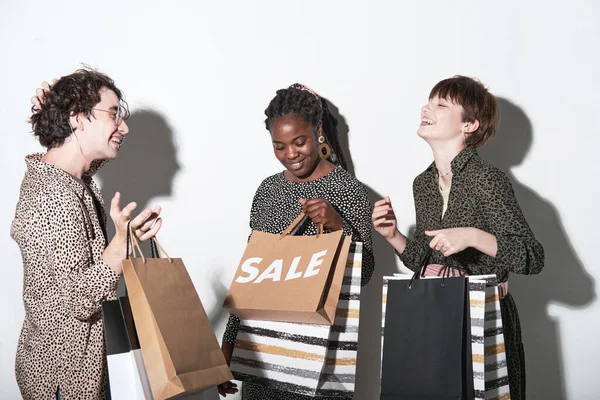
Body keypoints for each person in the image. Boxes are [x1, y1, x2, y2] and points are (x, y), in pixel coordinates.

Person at [372, 75, 544, 399]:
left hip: (483, 319)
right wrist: (393, 235)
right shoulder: (422, 184)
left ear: (470, 124)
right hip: (437, 316)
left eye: (441, 104)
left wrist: (474, 236)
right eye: (429, 101)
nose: (427, 108)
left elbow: (532, 256)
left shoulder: (487, 180)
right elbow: (425, 260)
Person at [11, 69, 162, 400]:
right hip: (69, 376)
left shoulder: (67, 179)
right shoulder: (56, 194)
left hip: (80, 364)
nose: (123, 126)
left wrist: (127, 239)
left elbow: (71, 272)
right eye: (113, 114)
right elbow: (79, 299)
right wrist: (118, 249)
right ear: (78, 118)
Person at [218, 83, 374, 399]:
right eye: (279, 146)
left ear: (318, 130)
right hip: (263, 349)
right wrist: (229, 343)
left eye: (299, 142)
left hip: (319, 351)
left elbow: (366, 272)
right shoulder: (268, 191)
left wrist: (337, 226)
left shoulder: (348, 190)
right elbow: (253, 272)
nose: (290, 154)